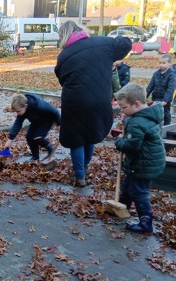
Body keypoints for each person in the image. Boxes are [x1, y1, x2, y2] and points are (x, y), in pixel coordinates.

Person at [54, 21, 132, 187]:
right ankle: (86, 165)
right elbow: (126, 43)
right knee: (91, 133)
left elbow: (61, 77)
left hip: (74, 101)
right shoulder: (102, 43)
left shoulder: (64, 55)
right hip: (100, 99)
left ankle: (80, 176)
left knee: (76, 138)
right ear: (81, 30)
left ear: (63, 36)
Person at [114, 83, 165, 234]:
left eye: (123, 108)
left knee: (138, 192)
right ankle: (122, 209)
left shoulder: (137, 122)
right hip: (145, 160)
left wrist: (118, 141)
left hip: (144, 163)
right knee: (127, 185)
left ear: (136, 104)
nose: (122, 110)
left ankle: (146, 224)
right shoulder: (146, 114)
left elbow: (131, 145)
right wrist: (127, 118)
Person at [2, 93, 61, 161]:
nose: (18, 114)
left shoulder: (39, 105)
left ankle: (50, 148)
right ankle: (35, 157)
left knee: (38, 137)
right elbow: (17, 123)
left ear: (25, 106)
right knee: (29, 138)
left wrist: (59, 124)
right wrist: (10, 140)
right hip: (36, 121)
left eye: (18, 111)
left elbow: (55, 111)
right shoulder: (22, 109)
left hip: (47, 120)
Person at [146, 54, 176, 126]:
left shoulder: (171, 74)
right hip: (156, 96)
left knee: (166, 113)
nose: (161, 65)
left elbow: (170, 88)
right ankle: (156, 126)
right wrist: (145, 96)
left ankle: (167, 125)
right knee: (155, 112)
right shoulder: (156, 73)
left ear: (169, 64)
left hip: (165, 98)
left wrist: (165, 100)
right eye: (160, 63)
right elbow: (150, 86)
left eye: (163, 63)